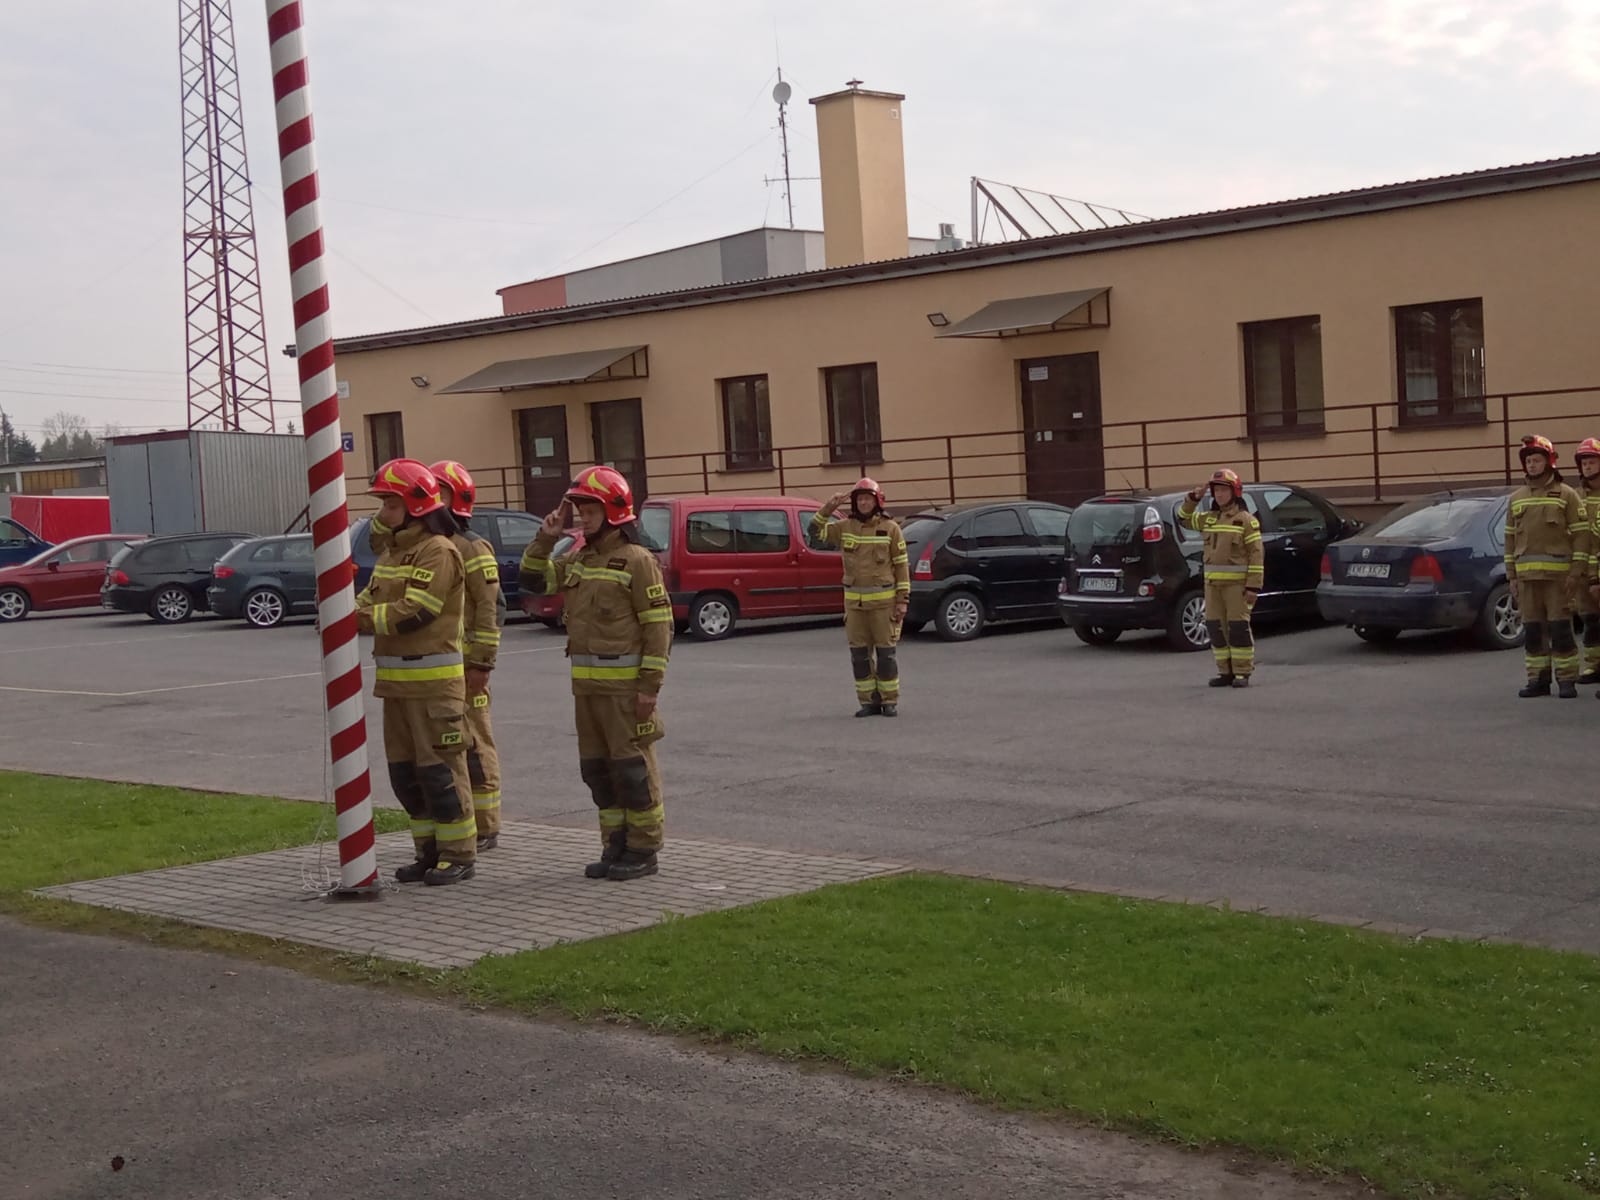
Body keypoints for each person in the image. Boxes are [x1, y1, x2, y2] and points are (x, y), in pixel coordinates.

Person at [519, 467, 671, 880]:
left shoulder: (637, 561)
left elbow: (658, 628)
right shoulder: (581, 559)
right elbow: (534, 580)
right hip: (586, 690)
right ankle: (615, 845)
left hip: (624, 691)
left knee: (632, 771)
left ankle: (643, 849)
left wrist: (649, 689)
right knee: (599, 772)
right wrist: (546, 538)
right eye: (581, 511)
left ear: (614, 512)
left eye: (590, 511)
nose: (583, 518)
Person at [355, 458, 477, 884]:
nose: (383, 513)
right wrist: (344, 609)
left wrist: (356, 620)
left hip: (434, 688)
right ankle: (427, 852)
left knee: (441, 774)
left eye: (390, 505)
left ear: (416, 506)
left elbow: (417, 611)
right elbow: (371, 599)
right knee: (407, 777)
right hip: (396, 688)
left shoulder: (438, 551)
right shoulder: (393, 553)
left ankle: (458, 855)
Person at [429, 460, 506, 850]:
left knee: (475, 744)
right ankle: (459, 820)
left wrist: (481, 663)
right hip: (438, 669)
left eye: (439, 492)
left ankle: (486, 825)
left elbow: (491, 608)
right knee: (445, 747)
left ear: (457, 499)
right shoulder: (429, 547)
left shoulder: (471, 547)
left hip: (466, 667)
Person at [810, 478, 910, 716]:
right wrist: (829, 508)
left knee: (886, 655)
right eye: (860, 499)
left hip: (884, 607)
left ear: (877, 501)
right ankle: (867, 702)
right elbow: (814, 534)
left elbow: (901, 566)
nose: (864, 503)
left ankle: (889, 701)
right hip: (855, 608)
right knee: (859, 657)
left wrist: (902, 600)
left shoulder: (891, 529)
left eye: (868, 499)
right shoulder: (844, 527)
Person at [1505, 435, 1588, 698]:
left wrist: (1576, 572)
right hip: (1527, 580)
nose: (1532, 465)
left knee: (1560, 630)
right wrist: (1511, 576)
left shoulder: (1567, 495)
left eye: (1537, 460)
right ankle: (1538, 680)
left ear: (1549, 462)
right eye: (1528, 461)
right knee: (1532, 632)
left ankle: (1567, 680)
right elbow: (1509, 540)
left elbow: (1582, 536)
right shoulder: (1516, 499)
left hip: (1558, 580)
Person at [1176, 468, 1263, 687]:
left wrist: (1253, 587)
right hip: (1212, 587)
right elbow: (1183, 519)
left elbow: (1256, 555)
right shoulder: (1209, 519)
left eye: (1224, 490)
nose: (1220, 495)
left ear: (1235, 492)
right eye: (1216, 491)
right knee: (1215, 628)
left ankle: (1242, 672)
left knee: (1238, 628)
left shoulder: (1246, 521)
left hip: (1236, 588)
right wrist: (1194, 498)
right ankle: (1225, 672)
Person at [1571, 438, 1600, 685]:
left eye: (1592, 462)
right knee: (1589, 619)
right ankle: (1594, 665)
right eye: (1584, 463)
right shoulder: (1576, 496)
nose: (1587, 467)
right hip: (1582, 571)